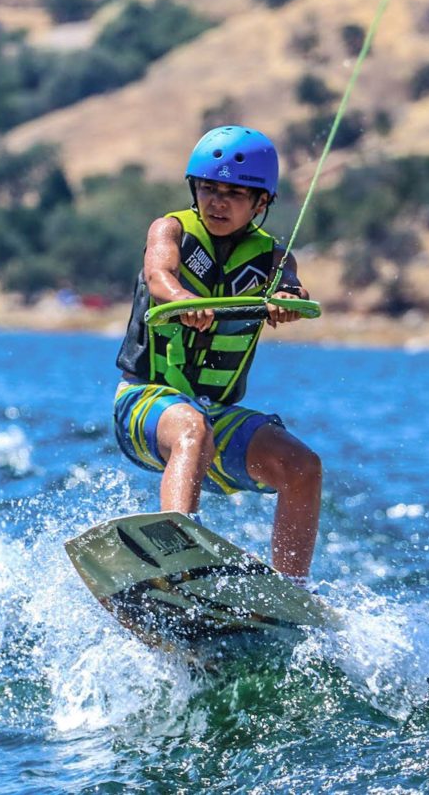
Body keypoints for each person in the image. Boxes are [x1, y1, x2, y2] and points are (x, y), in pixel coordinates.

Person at [112, 125, 321, 583]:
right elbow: (159, 275)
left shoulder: (273, 259)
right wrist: (183, 299)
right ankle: (178, 550)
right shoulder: (170, 230)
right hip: (146, 402)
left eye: (234, 193)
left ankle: (291, 593)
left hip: (216, 414)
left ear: (261, 203)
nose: (218, 201)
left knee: (302, 466)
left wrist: (286, 302)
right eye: (209, 188)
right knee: (190, 425)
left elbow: (291, 288)